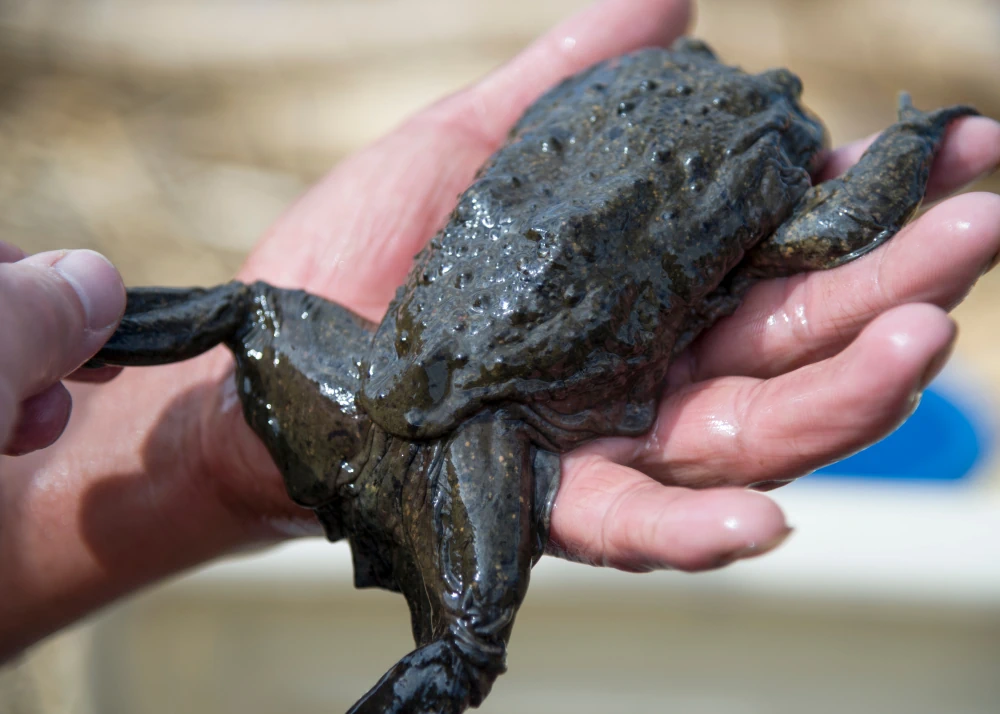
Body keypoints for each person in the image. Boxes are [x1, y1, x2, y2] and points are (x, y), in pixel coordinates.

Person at [1, 0, 998, 663]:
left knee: (245, 308)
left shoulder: (663, 107)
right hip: (491, 401)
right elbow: (840, 227)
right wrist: (911, 132)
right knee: (467, 644)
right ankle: (79, 337)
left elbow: (559, 120)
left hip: (433, 364)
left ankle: (87, 337)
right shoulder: (775, 175)